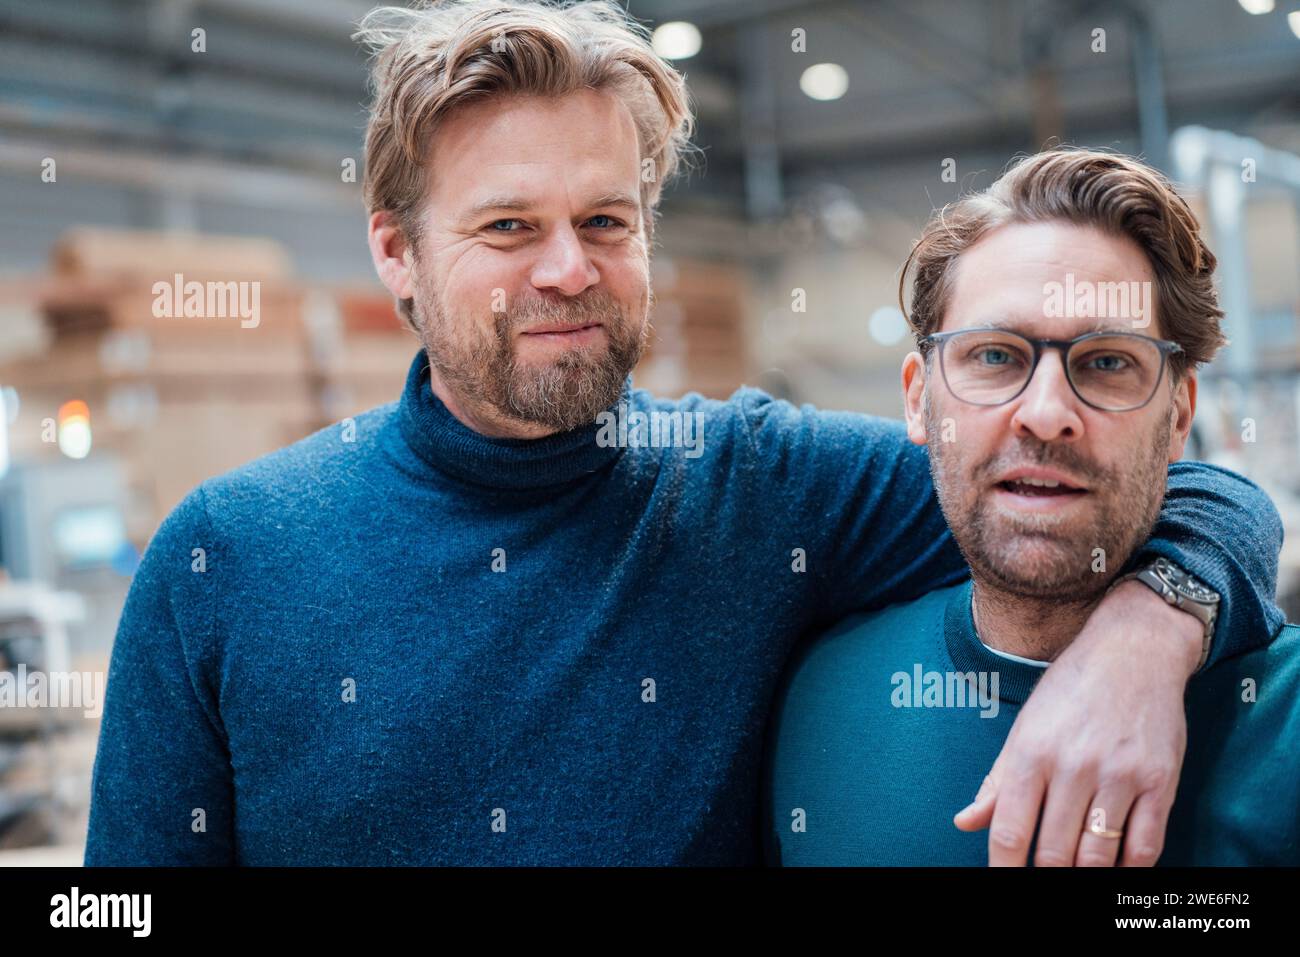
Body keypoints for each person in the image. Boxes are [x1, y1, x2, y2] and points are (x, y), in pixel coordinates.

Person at [85, 2, 1283, 866]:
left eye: (607, 219)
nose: (568, 270)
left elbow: (1129, 484)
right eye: (507, 226)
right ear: (395, 251)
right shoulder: (224, 558)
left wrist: (1149, 627)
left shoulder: (766, 489)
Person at [764, 148, 1300, 866]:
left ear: (1179, 416)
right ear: (919, 397)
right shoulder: (816, 697)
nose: (1046, 413)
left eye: (1107, 361)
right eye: (995, 356)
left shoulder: (1283, 723)